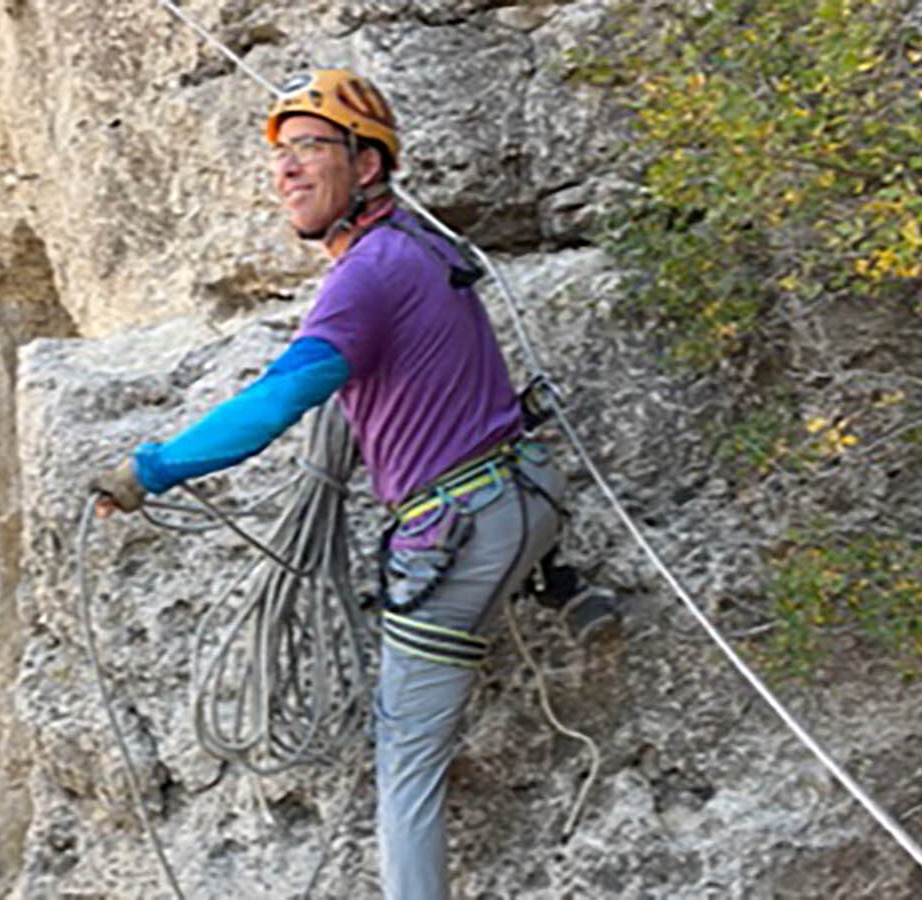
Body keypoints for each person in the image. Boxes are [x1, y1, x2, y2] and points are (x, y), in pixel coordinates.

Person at [91, 68, 569, 900]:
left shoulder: (367, 275)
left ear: (368, 165)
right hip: (522, 496)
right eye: (279, 155)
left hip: (459, 533)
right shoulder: (424, 247)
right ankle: (560, 582)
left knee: (407, 760)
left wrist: (151, 469)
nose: (286, 170)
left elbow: (279, 400)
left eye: (310, 148)